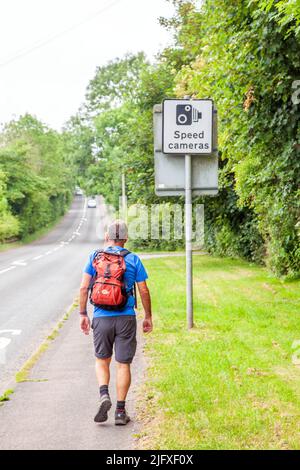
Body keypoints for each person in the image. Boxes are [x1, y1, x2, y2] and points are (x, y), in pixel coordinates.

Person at [79, 219, 153, 425]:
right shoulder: (133, 259)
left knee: (102, 360)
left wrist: (83, 313)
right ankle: (120, 412)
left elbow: (84, 288)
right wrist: (148, 316)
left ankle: (104, 394)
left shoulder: (95, 257)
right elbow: (144, 290)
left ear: (107, 237)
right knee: (123, 364)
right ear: (126, 238)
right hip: (126, 317)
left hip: (101, 317)